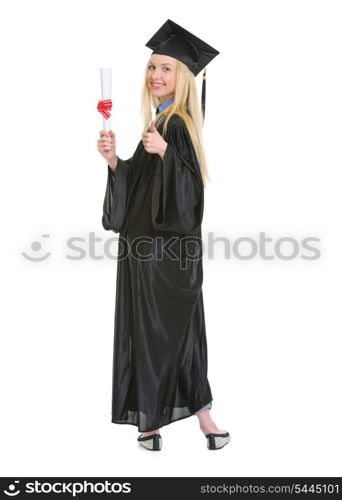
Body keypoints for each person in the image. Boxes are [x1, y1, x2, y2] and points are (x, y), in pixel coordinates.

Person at [97, 19, 231, 451]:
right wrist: (117, 160)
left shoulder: (177, 125)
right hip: (146, 247)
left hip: (163, 250)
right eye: (153, 66)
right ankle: (184, 421)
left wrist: (169, 154)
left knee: (172, 329)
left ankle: (169, 419)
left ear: (186, 77)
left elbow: (191, 194)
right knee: (176, 329)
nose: (156, 74)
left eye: (167, 68)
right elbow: (139, 183)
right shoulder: (160, 120)